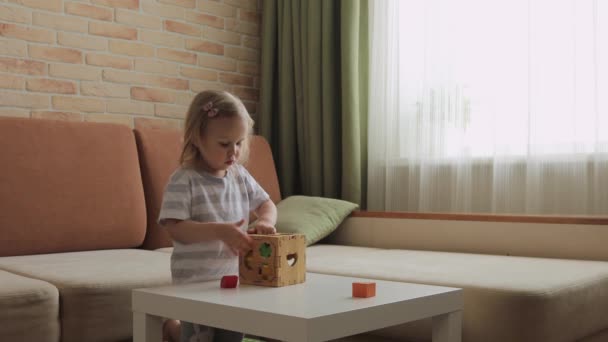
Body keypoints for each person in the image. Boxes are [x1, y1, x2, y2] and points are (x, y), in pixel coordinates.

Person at [158, 90, 278, 342]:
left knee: (231, 337)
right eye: (224, 144)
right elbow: (175, 228)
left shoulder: (239, 175)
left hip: (234, 280)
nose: (233, 152)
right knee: (198, 338)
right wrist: (220, 231)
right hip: (194, 283)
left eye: (239, 142)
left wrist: (265, 221)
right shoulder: (184, 179)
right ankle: (173, 329)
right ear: (197, 138)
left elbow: (267, 204)